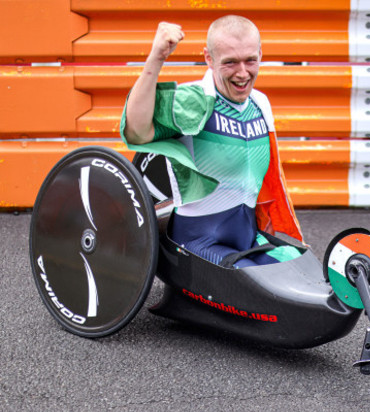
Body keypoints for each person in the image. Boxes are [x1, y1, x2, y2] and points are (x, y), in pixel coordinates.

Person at [121, 17, 303, 268]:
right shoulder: (192, 101)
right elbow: (136, 130)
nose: (242, 73)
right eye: (230, 63)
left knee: (303, 269)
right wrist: (157, 56)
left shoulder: (261, 103)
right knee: (267, 290)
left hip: (247, 239)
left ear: (261, 54)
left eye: (250, 60)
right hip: (198, 244)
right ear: (208, 58)